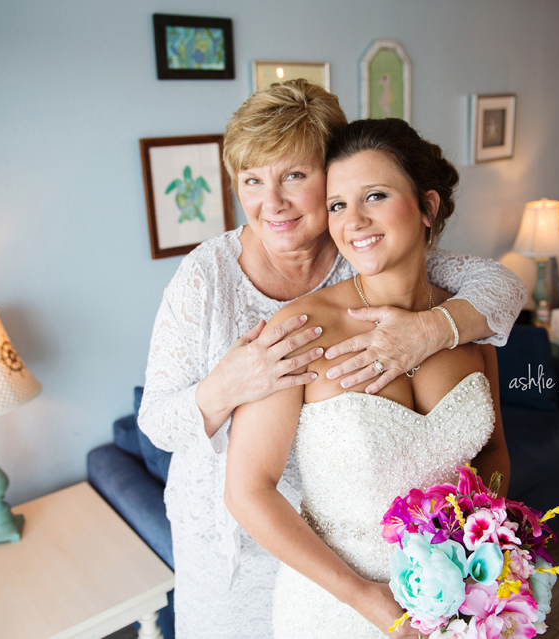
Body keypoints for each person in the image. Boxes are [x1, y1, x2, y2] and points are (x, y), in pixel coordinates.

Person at [138, 80, 525, 639]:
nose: (273, 203)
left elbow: (502, 288)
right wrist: (227, 386)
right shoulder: (212, 281)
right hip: (237, 551)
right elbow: (165, 429)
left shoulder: (374, 256)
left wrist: (429, 331)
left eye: (295, 176)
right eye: (252, 180)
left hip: (417, 569)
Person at [225, 118, 510, 638]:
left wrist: (477, 549)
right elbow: (248, 491)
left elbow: (492, 454)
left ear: (428, 207)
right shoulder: (300, 329)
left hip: (454, 605)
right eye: (337, 205)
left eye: (374, 196)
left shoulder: (470, 322)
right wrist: (362, 596)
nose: (353, 221)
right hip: (334, 604)